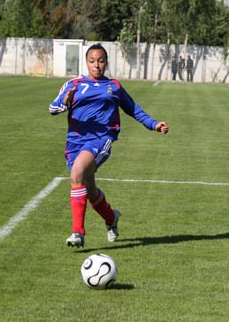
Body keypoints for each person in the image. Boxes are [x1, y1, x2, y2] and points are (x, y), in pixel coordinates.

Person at [49, 43, 169, 248]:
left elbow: (134, 109)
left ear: (106, 62)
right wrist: (65, 103)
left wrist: (154, 125)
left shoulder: (114, 86)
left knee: (77, 173)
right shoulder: (74, 84)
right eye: (92, 61)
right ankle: (111, 217)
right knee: (89, 189)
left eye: (101, 60)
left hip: (101, 139)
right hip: (75, 143)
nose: (97, 65)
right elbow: (53, 108)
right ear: (86, 62)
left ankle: (78, 232)